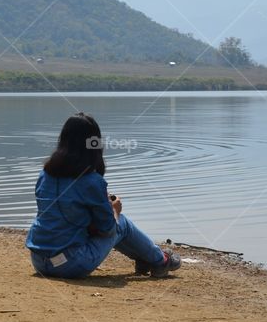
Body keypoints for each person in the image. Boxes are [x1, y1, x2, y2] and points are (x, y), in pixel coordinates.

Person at [26, 112, 181, 279]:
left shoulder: (45, 175)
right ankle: (160, 260)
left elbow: (60, 215)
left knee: (108, 222)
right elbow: (107, 229)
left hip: (39, 261)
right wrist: (114, 209)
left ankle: (146, 258)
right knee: (121, 223)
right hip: (69, 264)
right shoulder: (92, 181)